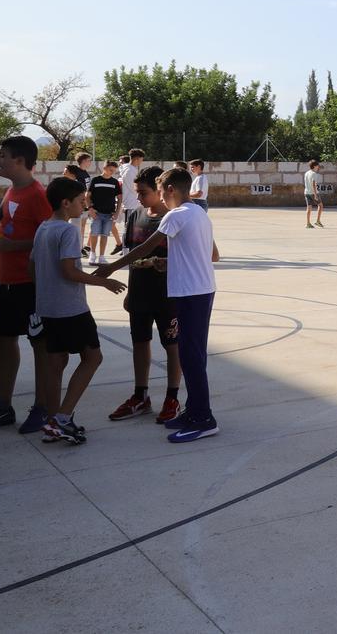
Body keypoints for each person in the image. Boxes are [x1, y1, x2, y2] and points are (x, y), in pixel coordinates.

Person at [101, 167, 221, 443]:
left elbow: (144, 248)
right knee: (192, 355)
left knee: (191, 358)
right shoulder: (199, 214)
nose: (162, 201)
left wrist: (111, 268)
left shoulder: (176, 215)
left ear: (169, 190)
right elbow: (209, 255)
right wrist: (170, 262)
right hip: (201, 291)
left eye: (161, 193)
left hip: (191, 294)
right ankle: (193, 411)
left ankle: (203, 418)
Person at [30, 177, 127, 445]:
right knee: (93, 358)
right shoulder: (68, 231)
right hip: (71, 309)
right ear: (66, 203)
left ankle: (52, 422)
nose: (84, 206)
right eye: (81, 201)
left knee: (56, 363)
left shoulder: (43, 228)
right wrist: (104, 282)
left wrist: (43, 296)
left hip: (48, 307)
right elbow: (69, 271)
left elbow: (33, 267)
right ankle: (62, 418)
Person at [0, 136, 56, 433]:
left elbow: (51, 236)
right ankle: (2, 407)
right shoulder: (11, 192)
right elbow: (6, 226)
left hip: (31, 283)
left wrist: (13, 245)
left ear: (19, 160)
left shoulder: (37, 194)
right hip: (8, 281)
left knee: (40, 345)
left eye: (3, 155)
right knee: (4, 341)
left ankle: (43, 408)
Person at [107, 166, 183, 424]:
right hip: (140, 293)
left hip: (167, 295)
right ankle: (141, 396)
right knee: (140, 342)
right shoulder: (135, 215)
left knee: (172, 346)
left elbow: (189, 258)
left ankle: (172, 397)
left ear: (160, 191)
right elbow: (132, 255)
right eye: (136, 192)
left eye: (143, 193)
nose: (138, 198)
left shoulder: (174, 217)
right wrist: (131, 291)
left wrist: (164, 263)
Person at [85, 160, 122, 264]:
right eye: (110, 170)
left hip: (109, 214)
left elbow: (120, 198)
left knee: (105, 235)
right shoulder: (95, 180)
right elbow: (87, 196)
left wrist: (117, 212)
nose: (112, 172)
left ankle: (101, 256)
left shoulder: (115, 182)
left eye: (114, 171)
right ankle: (92, 255)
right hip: (96, 213)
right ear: (104, 168)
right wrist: (90, 209)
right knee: (94, 233)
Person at [114, 149, 143, 254]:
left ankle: (127, 249)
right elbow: (133, 187)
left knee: (132, 228)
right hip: (131, 203)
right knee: (129, 228)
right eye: (141, 159)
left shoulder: (130, 169)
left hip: (133, 203)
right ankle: (126, 250)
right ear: (137, 158)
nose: (141, 162)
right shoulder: (130, 170)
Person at [304, 160, 325, 228]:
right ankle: (318, 221)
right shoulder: (314, 174)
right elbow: (313, 184)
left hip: (307, 192)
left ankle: (308, 223)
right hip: (313, 193)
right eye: (317, 165)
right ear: (314, 166)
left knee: (309, 208)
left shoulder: (307, 173)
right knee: (320, 205)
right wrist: (315, 195)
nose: (318, 167)